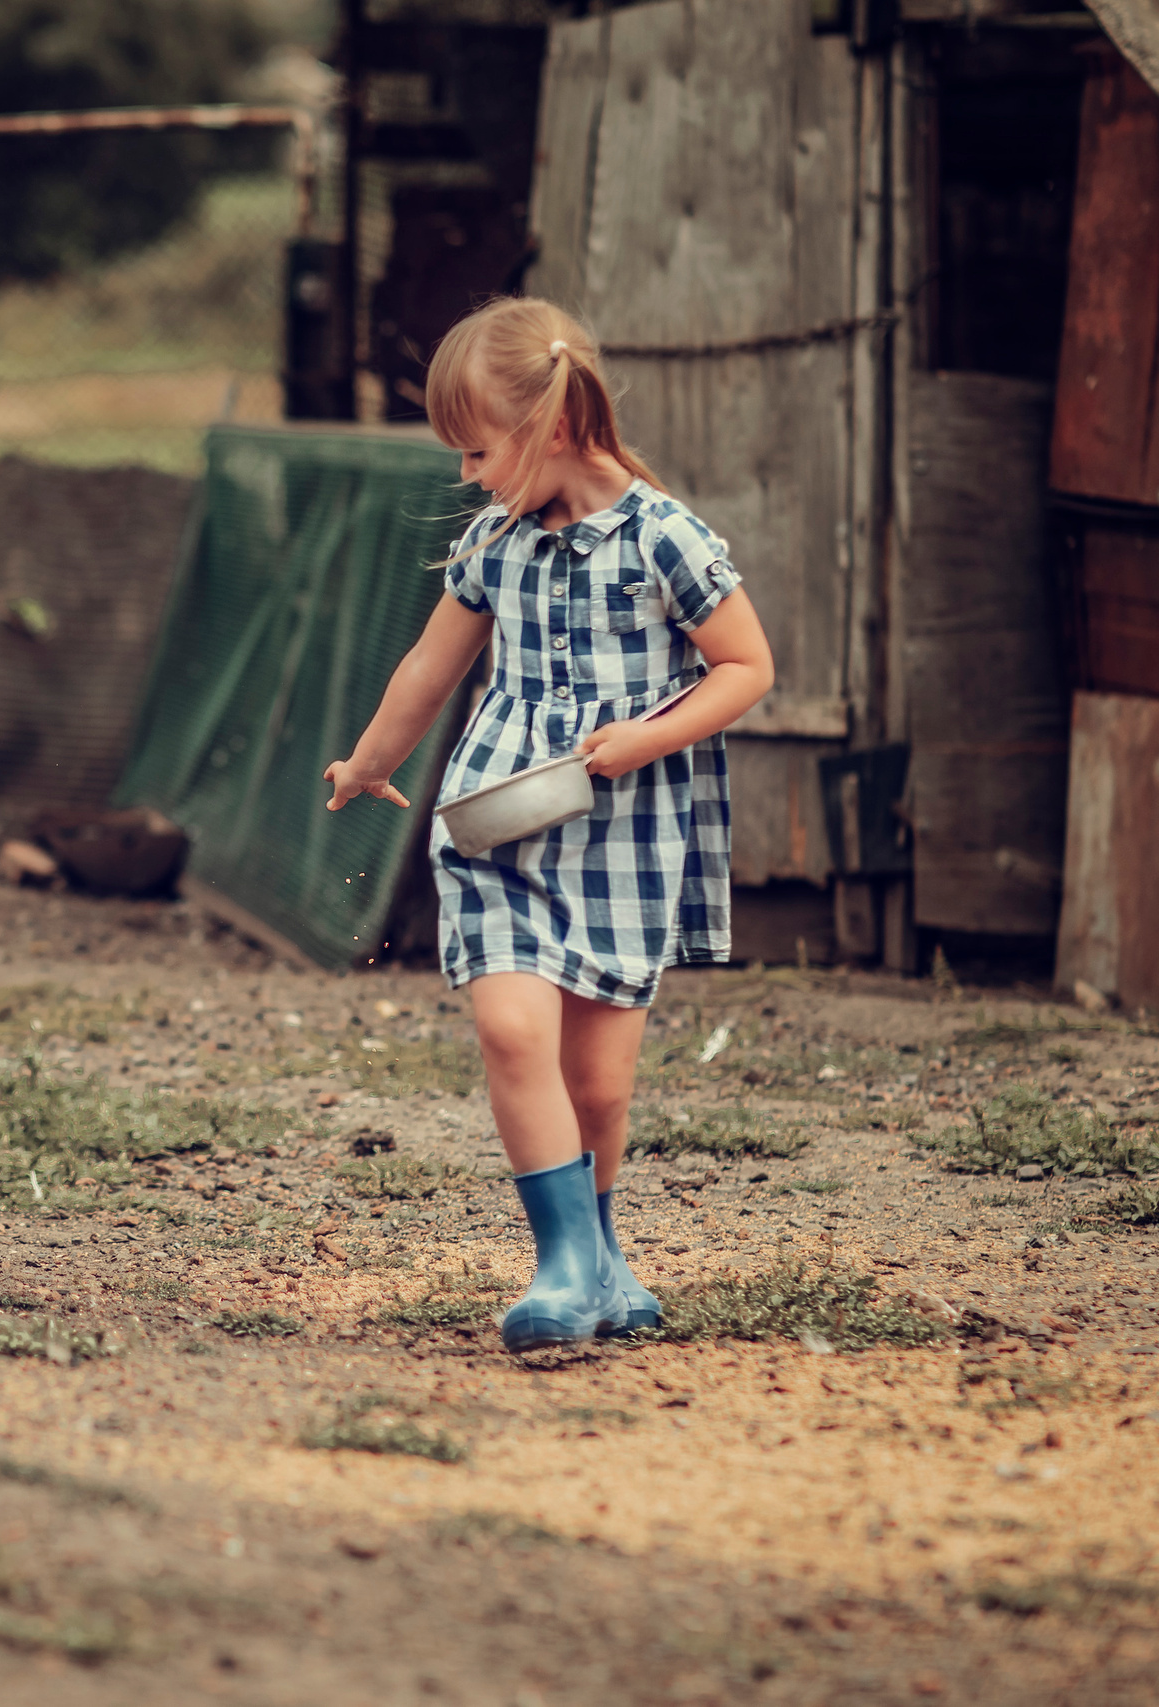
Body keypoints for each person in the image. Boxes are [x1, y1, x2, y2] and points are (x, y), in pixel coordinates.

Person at [322, 297, 774, 1351]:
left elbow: (746, 667)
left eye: (479, 451)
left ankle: (602, 1259)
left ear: (554, 427)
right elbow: (430, 666)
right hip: (499, 822)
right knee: (512, 1030)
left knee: (599, 1087)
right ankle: (564, 1263)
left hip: (622, 835)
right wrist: (370, 761)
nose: (468, 475)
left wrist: (647, 737)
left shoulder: (665, 537)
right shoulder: (495, 542)